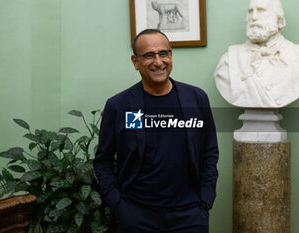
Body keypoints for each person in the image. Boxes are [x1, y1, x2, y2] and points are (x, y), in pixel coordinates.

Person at [93, 29, 219, 233]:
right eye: (149, 55)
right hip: (137, 217)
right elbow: (103, 160)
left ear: (171, 56)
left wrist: (205, 199)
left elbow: (209, 152)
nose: (158, 62)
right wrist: (119, 205)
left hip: (190, 216)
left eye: (163, 53)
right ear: (135, 62)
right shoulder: (119, 105)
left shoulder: (196, 99)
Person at [214, 0, 299, 108]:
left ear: (279, 20)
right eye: (250, 11)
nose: (253, 17)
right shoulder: (229, 60)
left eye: (261, 10)